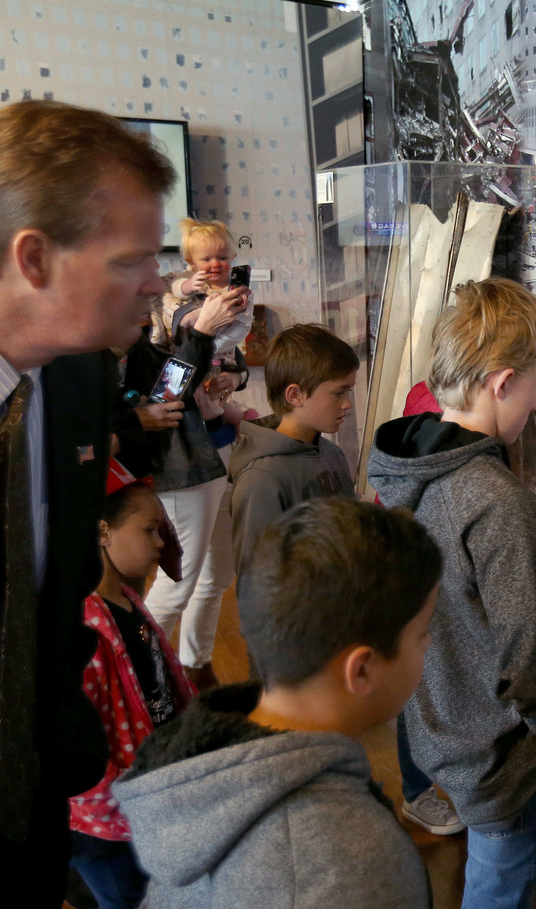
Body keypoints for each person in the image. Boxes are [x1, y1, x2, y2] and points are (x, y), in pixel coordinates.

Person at [0, 99, 176, 903]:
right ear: (33, 258)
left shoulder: (82, 378)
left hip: (31, 815)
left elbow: (59, 586)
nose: (157, 282)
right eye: (132, 259)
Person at [367, 278, 536, 909]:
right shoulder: (495, 501)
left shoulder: (410, 469)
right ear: (502, 382)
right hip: (506, 763)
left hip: (447, 735)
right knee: (499, 888)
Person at [113, 499, 437, 908]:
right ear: (362, 670)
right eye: (422, 633)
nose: (428, 644)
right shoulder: (356, 865)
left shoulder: (206, 761)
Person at [70, 460, 197, 909]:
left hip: (146, 804)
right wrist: (127, 798)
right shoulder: (83, 629)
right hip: (108, 824)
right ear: (102, 532)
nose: (161, 542)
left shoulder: (127, 599)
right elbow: (78, 743)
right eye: (149, 530)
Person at [127, 278, 249, 690]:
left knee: (216, 575)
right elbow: (168, 392)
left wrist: (236, 374)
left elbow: (225, 362)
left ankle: (195, 666)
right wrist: (201, 331)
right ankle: (144, 684)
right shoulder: (144, 326)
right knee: (176, 584)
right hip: (180, 467)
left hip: (217, 453)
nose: (216, 267)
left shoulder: (166, 318)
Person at [229, 323, 359, 576]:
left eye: (349, 391)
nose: (347, 404)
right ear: (295, 395)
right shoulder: (261, 479)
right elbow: (258, 580)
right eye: (338, 393)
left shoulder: (333, 453)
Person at [156, 218, 255, 366]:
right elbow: (176, 287)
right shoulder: (192, 277)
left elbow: (242, 326)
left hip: (221, 350)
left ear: (232, 257)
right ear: (192, 263)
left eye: (222, 258)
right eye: (207, 259)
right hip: (188, 347)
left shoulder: (239, 291)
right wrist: (189, 285)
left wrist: (214, 346)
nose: (215, 263)